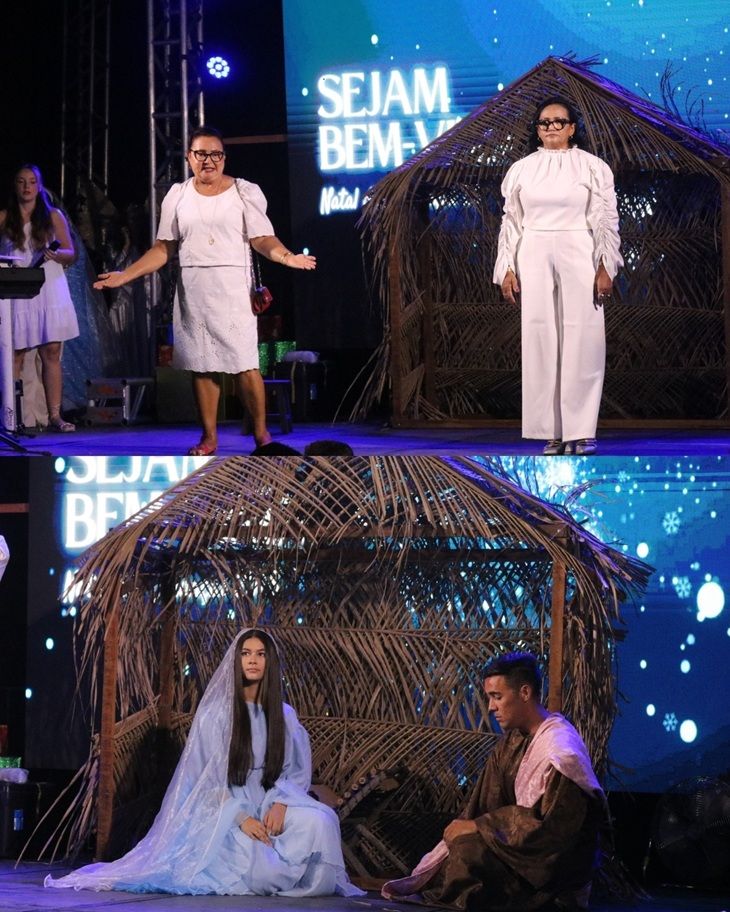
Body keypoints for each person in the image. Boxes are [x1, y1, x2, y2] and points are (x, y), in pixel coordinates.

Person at [46, 628, 364, 897]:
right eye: (246, 653)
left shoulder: (284, 715)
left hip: (272, 800)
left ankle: (304, 876)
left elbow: (296, 770)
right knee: (263, 872)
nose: (253, 660)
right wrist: (241, 819)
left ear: (270, 662)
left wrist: (281, 803)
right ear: (237, 661)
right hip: (226, 809)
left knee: (321, 822)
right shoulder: (218, 716)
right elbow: (205, 782)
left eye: (260, 654)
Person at [93, 126, 316, 455]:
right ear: (189, 157)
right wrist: (125, 276)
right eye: (201, 154)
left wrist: (287, 257)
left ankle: (261, 435)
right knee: (202, 365)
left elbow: (262, 238)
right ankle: (209, 437)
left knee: (244, 363)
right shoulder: (177, 195)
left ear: (223, 158)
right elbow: (163, 248)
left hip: (232, 289)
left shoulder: (243, 192)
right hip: (195, 289)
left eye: (215, 154)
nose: (208, 160)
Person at [382, 652, 606, 911]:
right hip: (516, 850)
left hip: (551, 870)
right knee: (458, 846)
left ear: (524, 692)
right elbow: (486, 803)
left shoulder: (561, 752)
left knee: (469, 854)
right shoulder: (511, 743)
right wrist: (467, 829)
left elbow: (553, 830)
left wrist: (480, 827)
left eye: (497, 697)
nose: (490, 707)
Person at [494, 97, 623, 456]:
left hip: (579, 247)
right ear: (537, 130)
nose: (551, 127)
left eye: (558, 121)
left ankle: (581, 431)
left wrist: (606, 265)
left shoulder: (592, 167)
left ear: (572, 127)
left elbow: (606, 219)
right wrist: (506, 267)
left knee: (583, 337)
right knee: (540, 338)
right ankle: (551, 430)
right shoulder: (521, 170)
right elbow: (511, 221)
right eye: (544, 122)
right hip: (533, 249)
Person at [0, 164, 79, 431]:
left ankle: (55, 415)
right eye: (21, 181)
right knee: (15, 352)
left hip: (49, 287)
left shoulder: (53, 215)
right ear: (15, 186)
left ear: (39, 186)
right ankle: (12, 416)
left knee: (51, 351)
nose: (27, 187)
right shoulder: (5, 217)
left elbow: (71, 252)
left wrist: (56, 253)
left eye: (32, 182)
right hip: (18, 289)